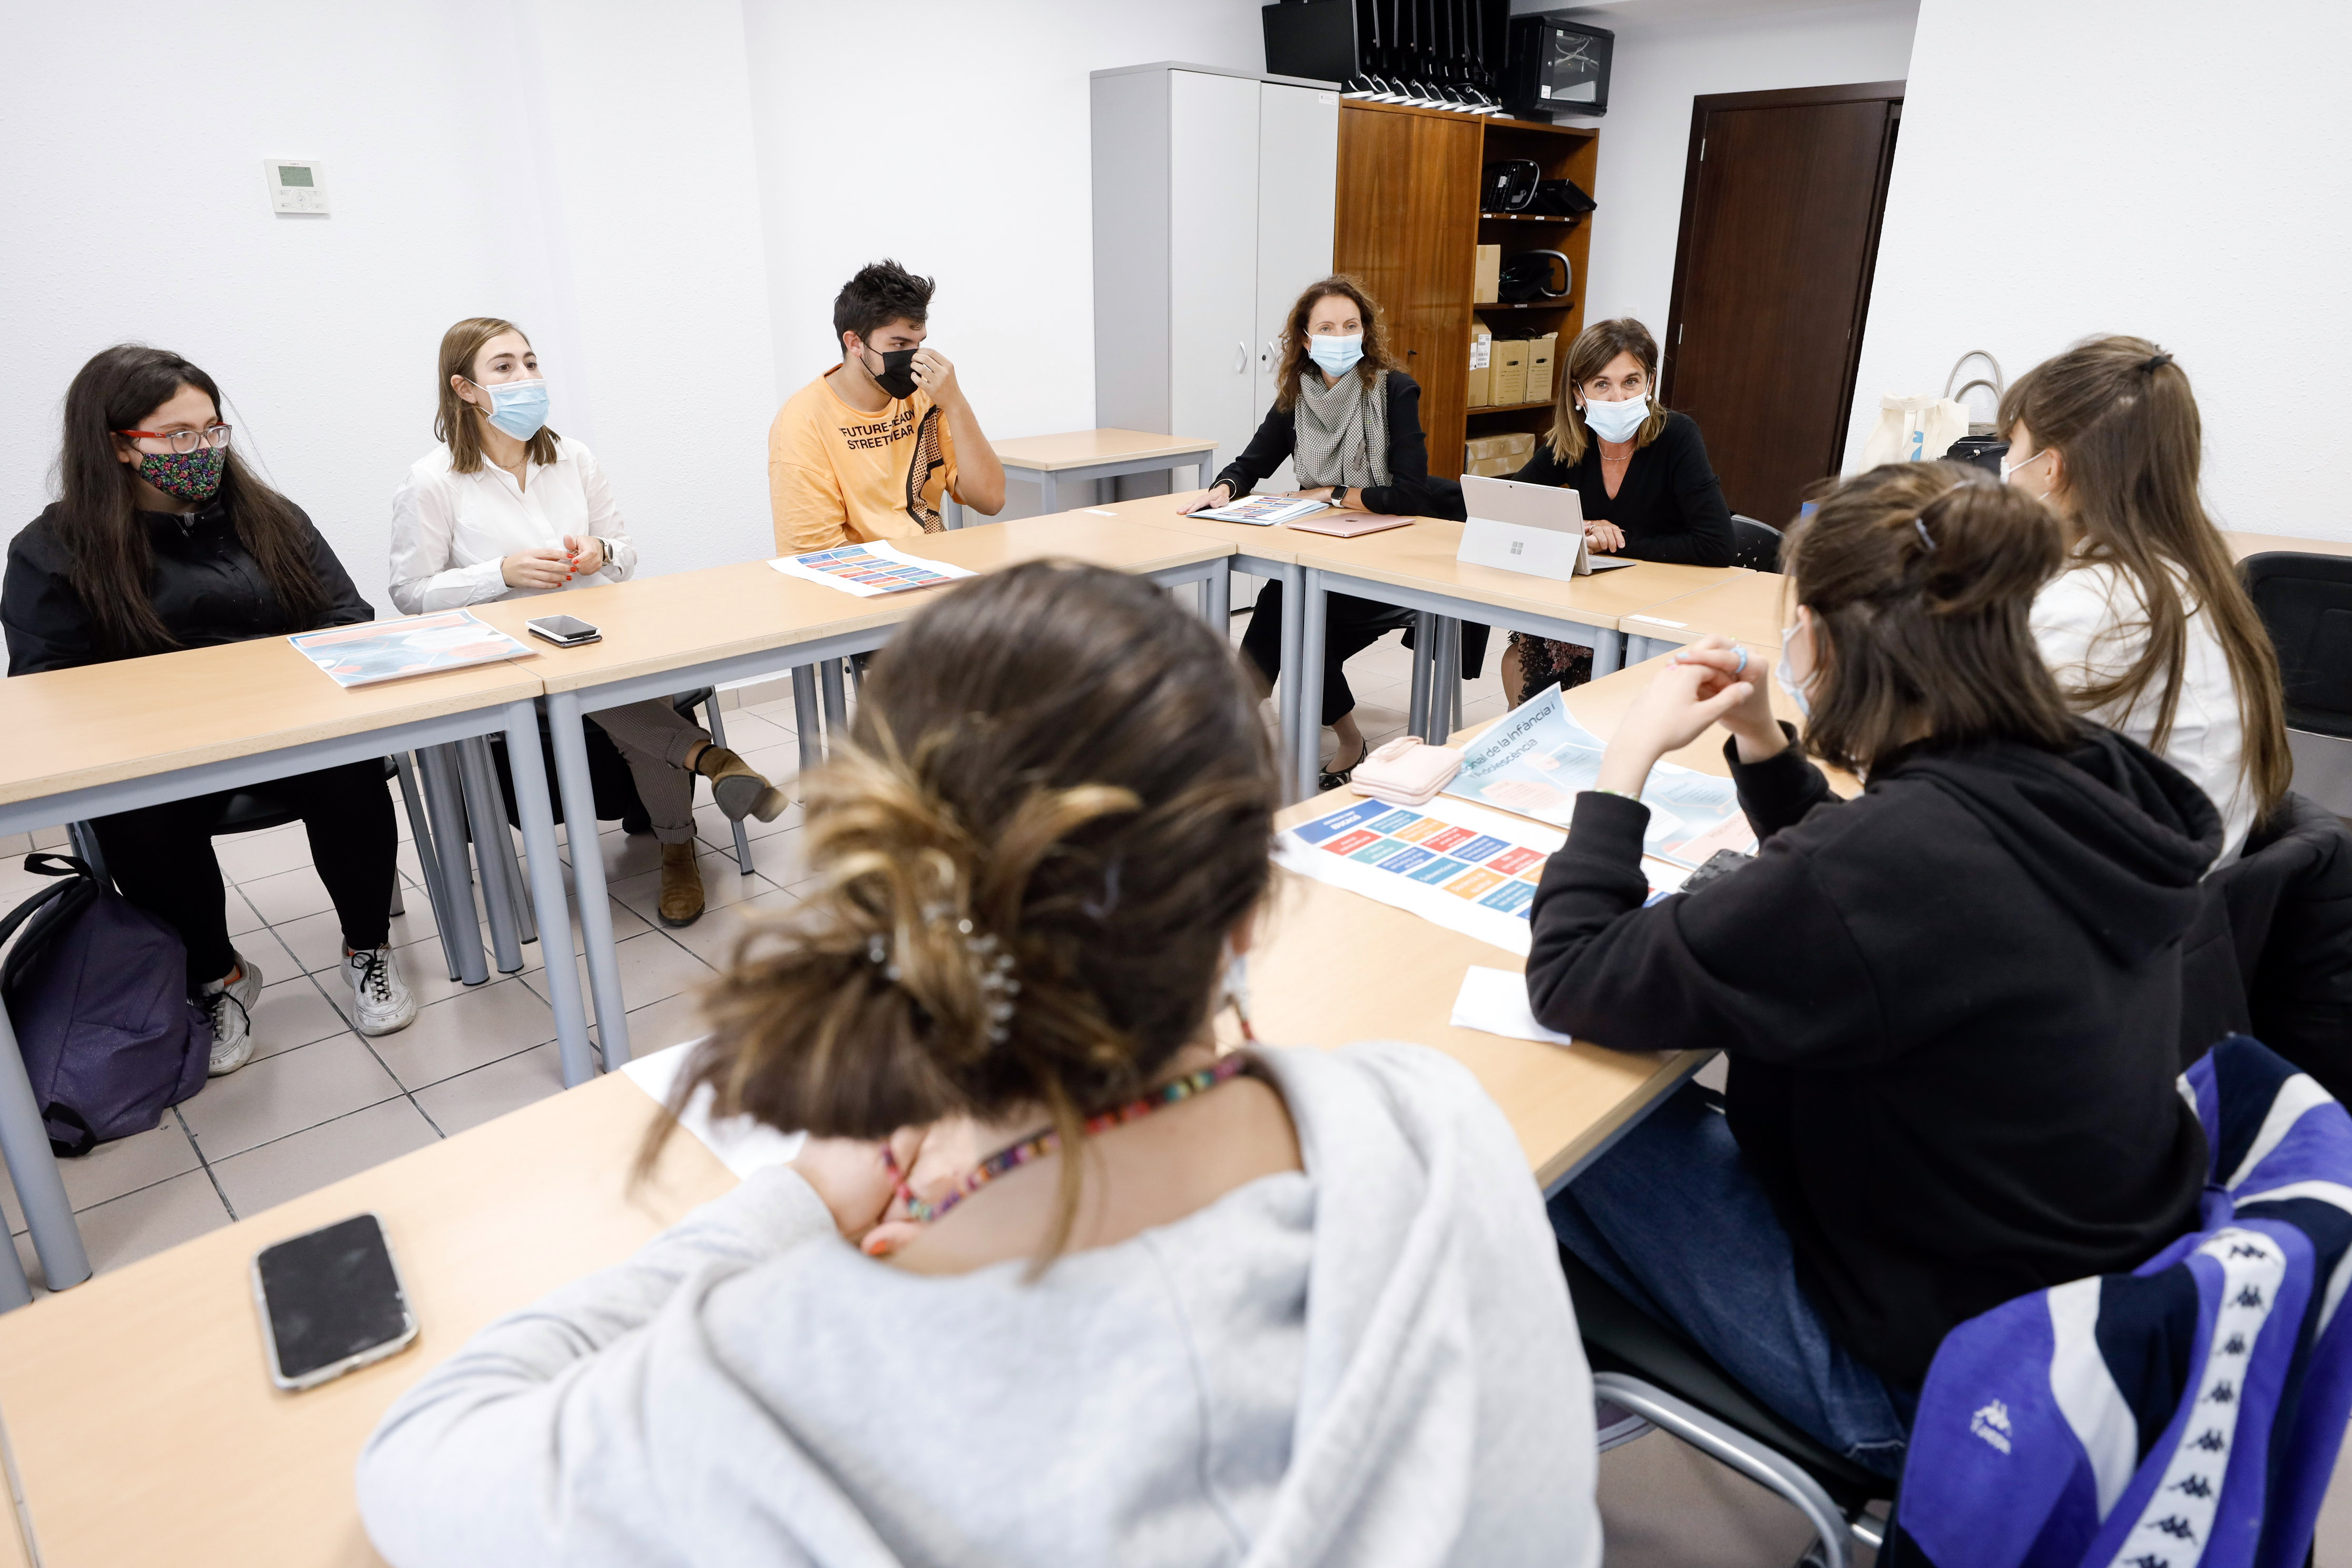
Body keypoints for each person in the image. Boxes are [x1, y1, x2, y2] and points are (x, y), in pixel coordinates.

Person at [356, 561, 1600, 1567]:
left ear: (884, 886)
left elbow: (420, 1459)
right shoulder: (1431, 1120)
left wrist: (800, 1203)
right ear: (1243, 912)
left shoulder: (773, 1382)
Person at [1523, 463, 2213, 1477]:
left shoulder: (1893, 864)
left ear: (1826, 634)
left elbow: (1575, 975)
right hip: (2069, 1321)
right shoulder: (2075, 777)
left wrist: (1619, 766)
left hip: (1927, 1385)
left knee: (1533, 1115)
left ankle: (1530, 1393)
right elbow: (1882, 889)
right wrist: (1762, 745)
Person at [3, 346, 418, 1067]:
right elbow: (46, 683)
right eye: (179, 436)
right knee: (136, 810)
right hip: (160, 754)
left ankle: (367, 947)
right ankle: (218, 977)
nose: (203, 450)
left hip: (288, 734)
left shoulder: (269, 518)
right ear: (119, 448)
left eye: (213, 430)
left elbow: (347, 618)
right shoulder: (54, 549)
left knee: (348, 772)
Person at [389, 317, 787, 928]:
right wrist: (502, 573)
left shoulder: (572, 457)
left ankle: (682, 841)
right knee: (618, 690)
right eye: (505, 368)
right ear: (465, 388)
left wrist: (602, 552)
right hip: (512, 651)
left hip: (600, 630)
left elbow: (625, 552)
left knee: (624, 679)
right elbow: (409, 593)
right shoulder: (432, 480)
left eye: (530, 362)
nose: (526, 377)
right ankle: (702, 779)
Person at [1998, 335, 2289, 862]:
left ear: (2051, 467)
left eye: (2011, 447)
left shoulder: (2092, 606)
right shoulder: (2187, 576)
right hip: (2183, 886)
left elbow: (1971, 772)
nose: (2007, 468)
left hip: (2116, 904)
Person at [1209, 276, 1470, 789]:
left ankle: (1258, 730)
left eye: (1351, 325)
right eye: (1326, 327)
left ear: (1366, 333)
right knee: (1289, 603)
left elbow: (1411, 494)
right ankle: (1241, 724)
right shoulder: (1297, 398)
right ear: (1306, 340)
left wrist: (1329, 494)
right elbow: (1252, 462)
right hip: (1328, 553)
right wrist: (1223, 488)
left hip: (1395, 560)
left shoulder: (1393, 391)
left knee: (1294, 614)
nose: (1340, 335)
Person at [1501, 318, 1734, 705]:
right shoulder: (1574, 439)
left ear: (1650, 384)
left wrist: (1613, 543)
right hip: (1598, 599)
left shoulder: (1677, 435)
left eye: (1631, 381)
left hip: (1666, 604)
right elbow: (1513, 504)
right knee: (1519, 658)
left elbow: (1717, 545)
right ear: (1579, 392)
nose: (1618, 398)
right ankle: (1538, 754)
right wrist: (1587, 526)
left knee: (1560, 673)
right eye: (1601, 384)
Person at [768, 260, 1006, 554]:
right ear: (855, 343)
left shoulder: (927, 397)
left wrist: (955, 403)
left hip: (938, 568)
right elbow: (816, 554)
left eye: (918, 344)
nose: (913, 358)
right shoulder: (803, 421)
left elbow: (991, 500)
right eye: (898, 345)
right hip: (866, 584)